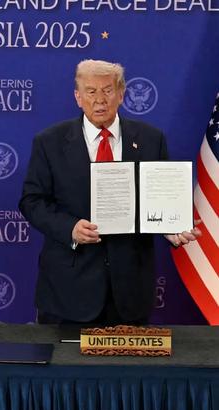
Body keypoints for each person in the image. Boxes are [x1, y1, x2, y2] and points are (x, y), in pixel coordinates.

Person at [19, 59, 201, 325]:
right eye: (91, 91)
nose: (100, 100)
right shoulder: (49, 142)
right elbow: (32, 201)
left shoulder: (151, 140)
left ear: (122, 94)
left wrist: (170, 227)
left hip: (130, 290)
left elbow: (158, 199)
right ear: (78, 97)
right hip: (68, 290)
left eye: (107, 90)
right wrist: (70, 228)